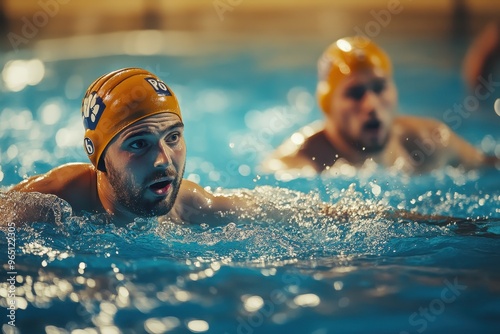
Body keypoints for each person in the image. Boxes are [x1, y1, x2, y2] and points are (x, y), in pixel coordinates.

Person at [0, 67, 474, 227]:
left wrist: (445, 225)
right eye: (138, 144)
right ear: (96, 156)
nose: (164, 161)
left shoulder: (194, 207)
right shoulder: (43, 207)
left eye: (173, 138)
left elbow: (310, 213)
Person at [260, 36, 499, 178]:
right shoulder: (295, 164)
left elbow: (488, 166)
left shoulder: (430, 141)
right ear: (328, 106)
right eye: (355, 93)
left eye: (379, 88)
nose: (371, 104)